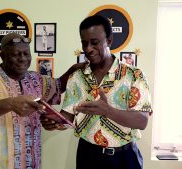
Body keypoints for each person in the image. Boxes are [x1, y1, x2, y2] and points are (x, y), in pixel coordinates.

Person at [41, 15, 153, 169]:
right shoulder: (76, 77)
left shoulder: (134, 75)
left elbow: (142, 121)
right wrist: (55, 122)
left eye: (94, 43)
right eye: (84, 43)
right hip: (88, 156)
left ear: (109, 41)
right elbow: (68, 115)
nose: (88, 49)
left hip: (125, 159)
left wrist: (108, 111)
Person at [0, 33, 86, 169]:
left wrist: (73, 70)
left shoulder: (35, 79)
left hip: (31, 163)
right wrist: (11, 103)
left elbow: (58, 85)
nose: (22, 59)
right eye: (16, 54)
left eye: (26, 53)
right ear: (3, 56)